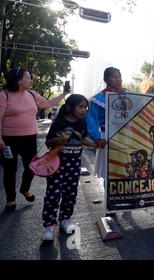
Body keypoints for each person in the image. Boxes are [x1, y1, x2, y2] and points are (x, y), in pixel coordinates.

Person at [0, 67, 70, 212]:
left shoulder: (32, 94)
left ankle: (25, 189)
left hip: (29, 137)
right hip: (8, 139)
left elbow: (48, 104)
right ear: (19, 80)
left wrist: (64, 94)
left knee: (32, 166)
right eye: (28, 77)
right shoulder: (4, 95)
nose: (31, 80)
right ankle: (10, 199)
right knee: (9, 169)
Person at [41, 94, 97, 241]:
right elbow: (49, 142)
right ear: (69, 107)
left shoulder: (82, 123)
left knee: (70, 193)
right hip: (57, 165)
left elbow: (83, 139)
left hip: (74, 164)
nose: (84, 110)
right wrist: (59, 140)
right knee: (53, 195)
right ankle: (49, 226)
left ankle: (65, 219)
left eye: (86, 107)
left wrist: (97, 144)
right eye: (80, 106)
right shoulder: (59, 122)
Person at [86, 67, 127, 184]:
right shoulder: (98, 99)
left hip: (126, 137)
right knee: (109, 170)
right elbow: (91, 120)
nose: (118, 79)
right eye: (114, 77)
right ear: (106, 79)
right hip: (107, 137)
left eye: (119, 76)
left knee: (126, 168)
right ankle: (110, 200)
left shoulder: (128, 94)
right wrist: (97, 138)